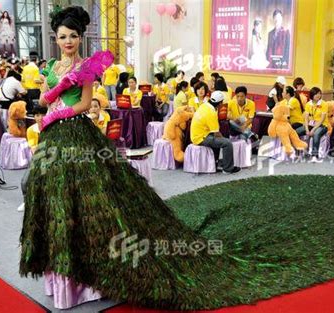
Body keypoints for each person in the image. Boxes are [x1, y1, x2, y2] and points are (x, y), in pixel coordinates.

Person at [20, 6, 282, 312]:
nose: (68, 41)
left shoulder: (87, 68)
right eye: (63, 36)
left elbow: (86, 103)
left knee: (95, 203)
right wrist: (54, 94)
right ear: (55, 37)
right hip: (54, 135)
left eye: (73, 36)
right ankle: (65, 273)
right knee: (58, 200)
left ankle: (93, 274)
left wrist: (63, 108)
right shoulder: (51, 65)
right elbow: (43, 99)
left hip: (77, 132)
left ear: (80, 38)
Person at [191, 91, 240, 174]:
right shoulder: (211, 113)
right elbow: (216, 133)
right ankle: (228, 169)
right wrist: (224, 138)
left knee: (220, 140)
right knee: (227, 143)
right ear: (220, 103)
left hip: (198, 135)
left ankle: (217, 163)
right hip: (201, 138)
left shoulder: (204, 106)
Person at [295, 87, 329, 163]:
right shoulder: (308, 104)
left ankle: (314, 156)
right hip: (311, 124)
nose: (318, 95)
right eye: (316, 94)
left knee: (316, 134)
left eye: (319, 93)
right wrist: (307, 129)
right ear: (312, 95)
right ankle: (298, 152)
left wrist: (313, 130)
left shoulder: (324, 104)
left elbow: (322, 119)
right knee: (296, 132)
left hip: (322, 125)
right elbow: (306, 118)